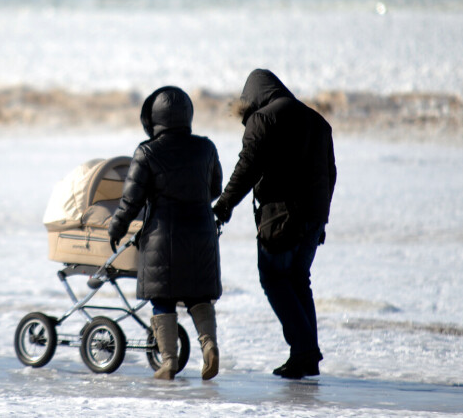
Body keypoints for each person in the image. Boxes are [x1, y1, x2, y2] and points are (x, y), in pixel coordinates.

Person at [212, 69, 336, 380]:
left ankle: (305, 350)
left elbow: (247, 168)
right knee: (298, 280)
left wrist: (224, 204)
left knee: (274, 278)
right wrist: (321, 219)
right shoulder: (318, 122)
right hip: (314, 216)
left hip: (281, 216)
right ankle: (307, 357)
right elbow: (330, 174)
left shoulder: (264, 119)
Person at [108, 86, 224, 381]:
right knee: (199, 296)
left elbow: (131, 201)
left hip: (162, 239)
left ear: (153, 118)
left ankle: (169, 362)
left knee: (163, 298)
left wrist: (116, 227)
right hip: (202, 234)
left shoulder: (147, 152)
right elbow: (214, 190)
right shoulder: (206, 148)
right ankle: (209, 345)